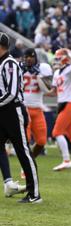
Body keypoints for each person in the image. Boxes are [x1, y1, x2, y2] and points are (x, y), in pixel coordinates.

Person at [0, 32, 41, 203]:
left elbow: (12, 92)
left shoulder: (10, 63)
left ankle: (34, 193)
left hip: (13, 111)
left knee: (23, 151)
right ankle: (8, 181)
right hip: (3, 110)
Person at [21, 48, 53, 158]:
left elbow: (47, 89)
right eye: (26, 57)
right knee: (26, 140)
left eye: (31, 57)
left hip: (37, 108)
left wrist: (38, 75)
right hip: (23, 108)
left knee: (41, 141)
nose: (29, 59)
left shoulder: (43, 68)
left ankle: (31, 161)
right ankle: (26, 167)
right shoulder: (18, 68)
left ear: (36, 58)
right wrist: (21, 71)